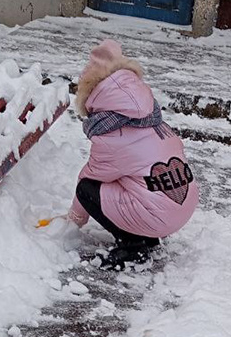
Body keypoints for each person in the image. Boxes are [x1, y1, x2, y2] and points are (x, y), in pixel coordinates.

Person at [67, 39, 198, 268]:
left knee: (87, 189)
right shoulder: (152, 121)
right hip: (182, 206)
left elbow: (90, 178)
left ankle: (133, 246)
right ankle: (147, 235)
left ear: (95, 97)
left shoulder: (114, 136)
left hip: (159, 214)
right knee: (132, 180)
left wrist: (73, 221)